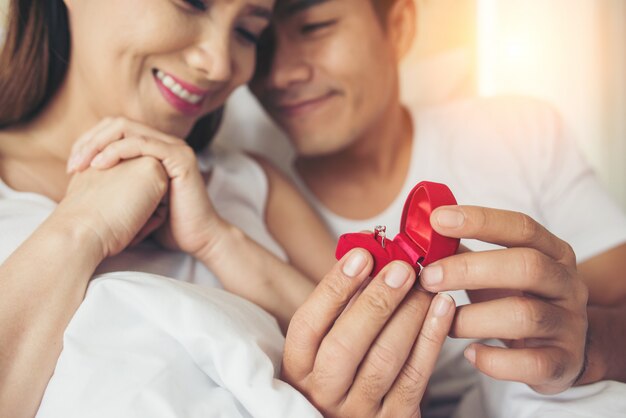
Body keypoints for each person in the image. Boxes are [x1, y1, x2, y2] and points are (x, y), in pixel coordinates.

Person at [0, 1, 457, 417]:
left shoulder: (252, 186)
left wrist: (217, 240)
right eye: (190, 4)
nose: (219, 65)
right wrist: (81, 226)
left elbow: (404, 382)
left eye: (248, 32)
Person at [247, 0, 626, 414]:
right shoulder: (246, 196)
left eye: (314, 28)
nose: (281, 74)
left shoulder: (520, 131)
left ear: (400, 26)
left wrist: (586, 348)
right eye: (258, 41)